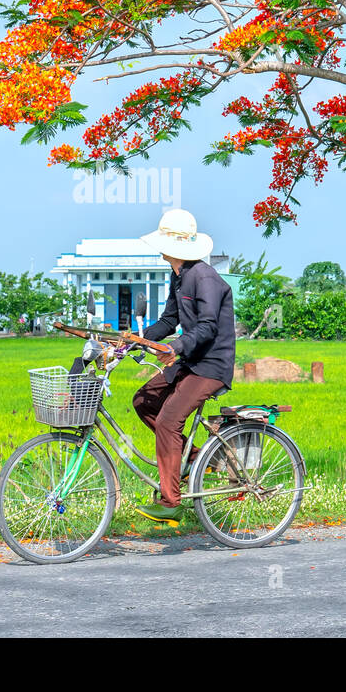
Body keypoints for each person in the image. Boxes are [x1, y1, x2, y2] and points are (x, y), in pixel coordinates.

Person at [131, 208, 235, 525]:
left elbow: (207, 327)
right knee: (143, 401)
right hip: (192, 360)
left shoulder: (203, 277)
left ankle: (170, 502)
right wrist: (137, 340)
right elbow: (168, 320)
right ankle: (197, 458)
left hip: (211, 366)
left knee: (168, 420)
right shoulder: (178, 276)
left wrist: (175, 347)